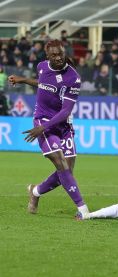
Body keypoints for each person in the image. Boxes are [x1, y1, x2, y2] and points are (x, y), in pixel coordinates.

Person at [8, 39, 90, 218]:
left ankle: (35, 191)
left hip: (62, 124)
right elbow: (44, 84)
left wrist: (42, 128)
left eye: (61, 53)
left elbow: (65, 111)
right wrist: (22, 80)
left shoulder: (73, 78)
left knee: (67, 170)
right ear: (47, 56)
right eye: (54, 55)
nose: (59, 57)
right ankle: (83, 210)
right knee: (61, 163)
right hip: (42, 120)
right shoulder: (42, 66)